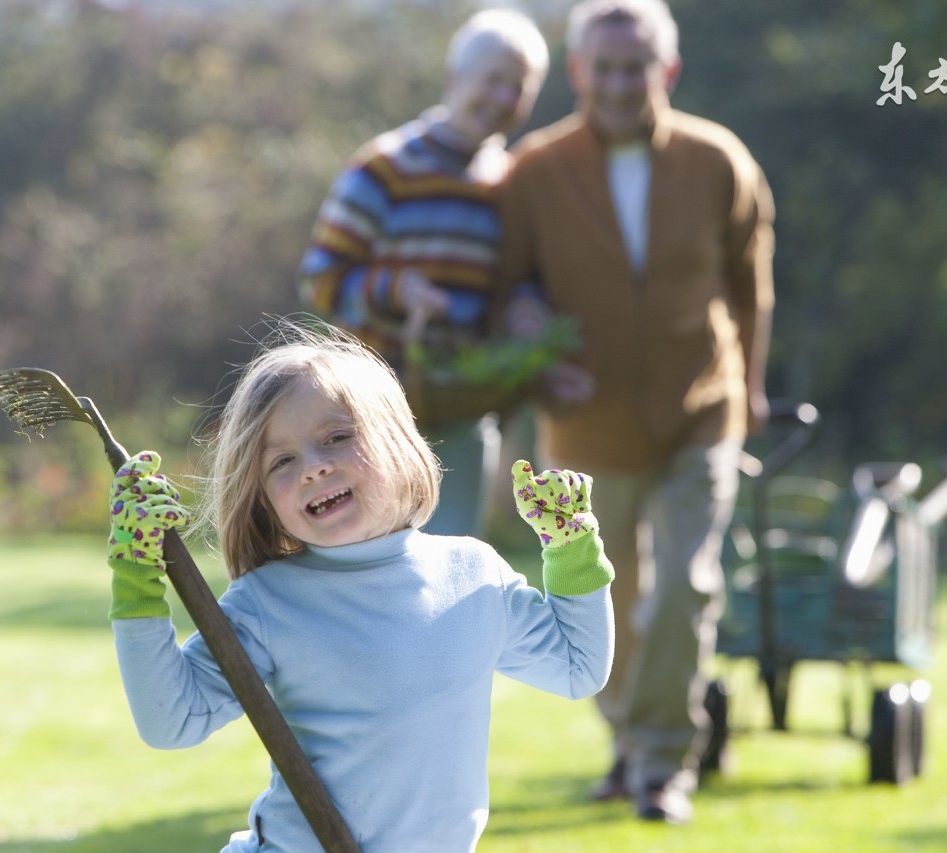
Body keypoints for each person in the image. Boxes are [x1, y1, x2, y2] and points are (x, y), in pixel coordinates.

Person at [102, 321, 615, 851]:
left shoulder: (473, 575)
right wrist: (137, 579)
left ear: (395, 440)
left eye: (336, 438)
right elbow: (172, 721)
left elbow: (579, 668)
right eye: (282, 461)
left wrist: (570, 544)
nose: (313, 468)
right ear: (261, 499)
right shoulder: (268, 602)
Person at [496, 0, 776, 825]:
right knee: (604, 599)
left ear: (668, 70)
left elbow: (751, 288)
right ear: (579, 71)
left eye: (637, 66)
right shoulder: (534, 171)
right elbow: (511, 284)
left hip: (703, 411)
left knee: (685, 590)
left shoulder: (718, 160)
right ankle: (625, 738)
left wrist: (751, 389)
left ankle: (662, 763)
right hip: (587, 425)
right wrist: (530, 335)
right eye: (605, 67)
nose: (621, 83)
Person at [298, 8, 550, 537]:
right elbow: (321, 277)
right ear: (454, 78)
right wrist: (397, 289)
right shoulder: (384, 167)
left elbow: (516, 281)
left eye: (519, 88)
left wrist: (525, 312)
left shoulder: (510, 183)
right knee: (371, 558)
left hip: (462, 410)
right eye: (493, 81)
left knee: (452, 563)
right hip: (369, 414)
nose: (503, 99)